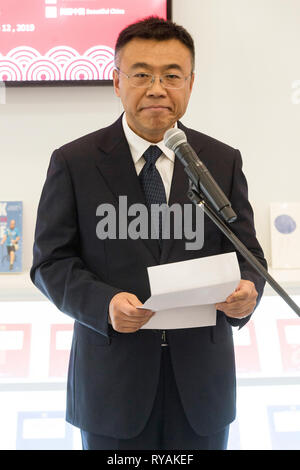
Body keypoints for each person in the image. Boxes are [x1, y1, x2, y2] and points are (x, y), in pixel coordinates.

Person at [30, 17, 267, 450]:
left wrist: (248, 293)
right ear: (116, 82)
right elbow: (51, 263)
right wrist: (105, 304)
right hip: (111, 384)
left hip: (202, 387)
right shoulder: (75, 162)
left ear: (191, 84)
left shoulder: (221, 160)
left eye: (172, 76)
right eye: (141, 74)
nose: (157, 88)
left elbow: (249, 255)